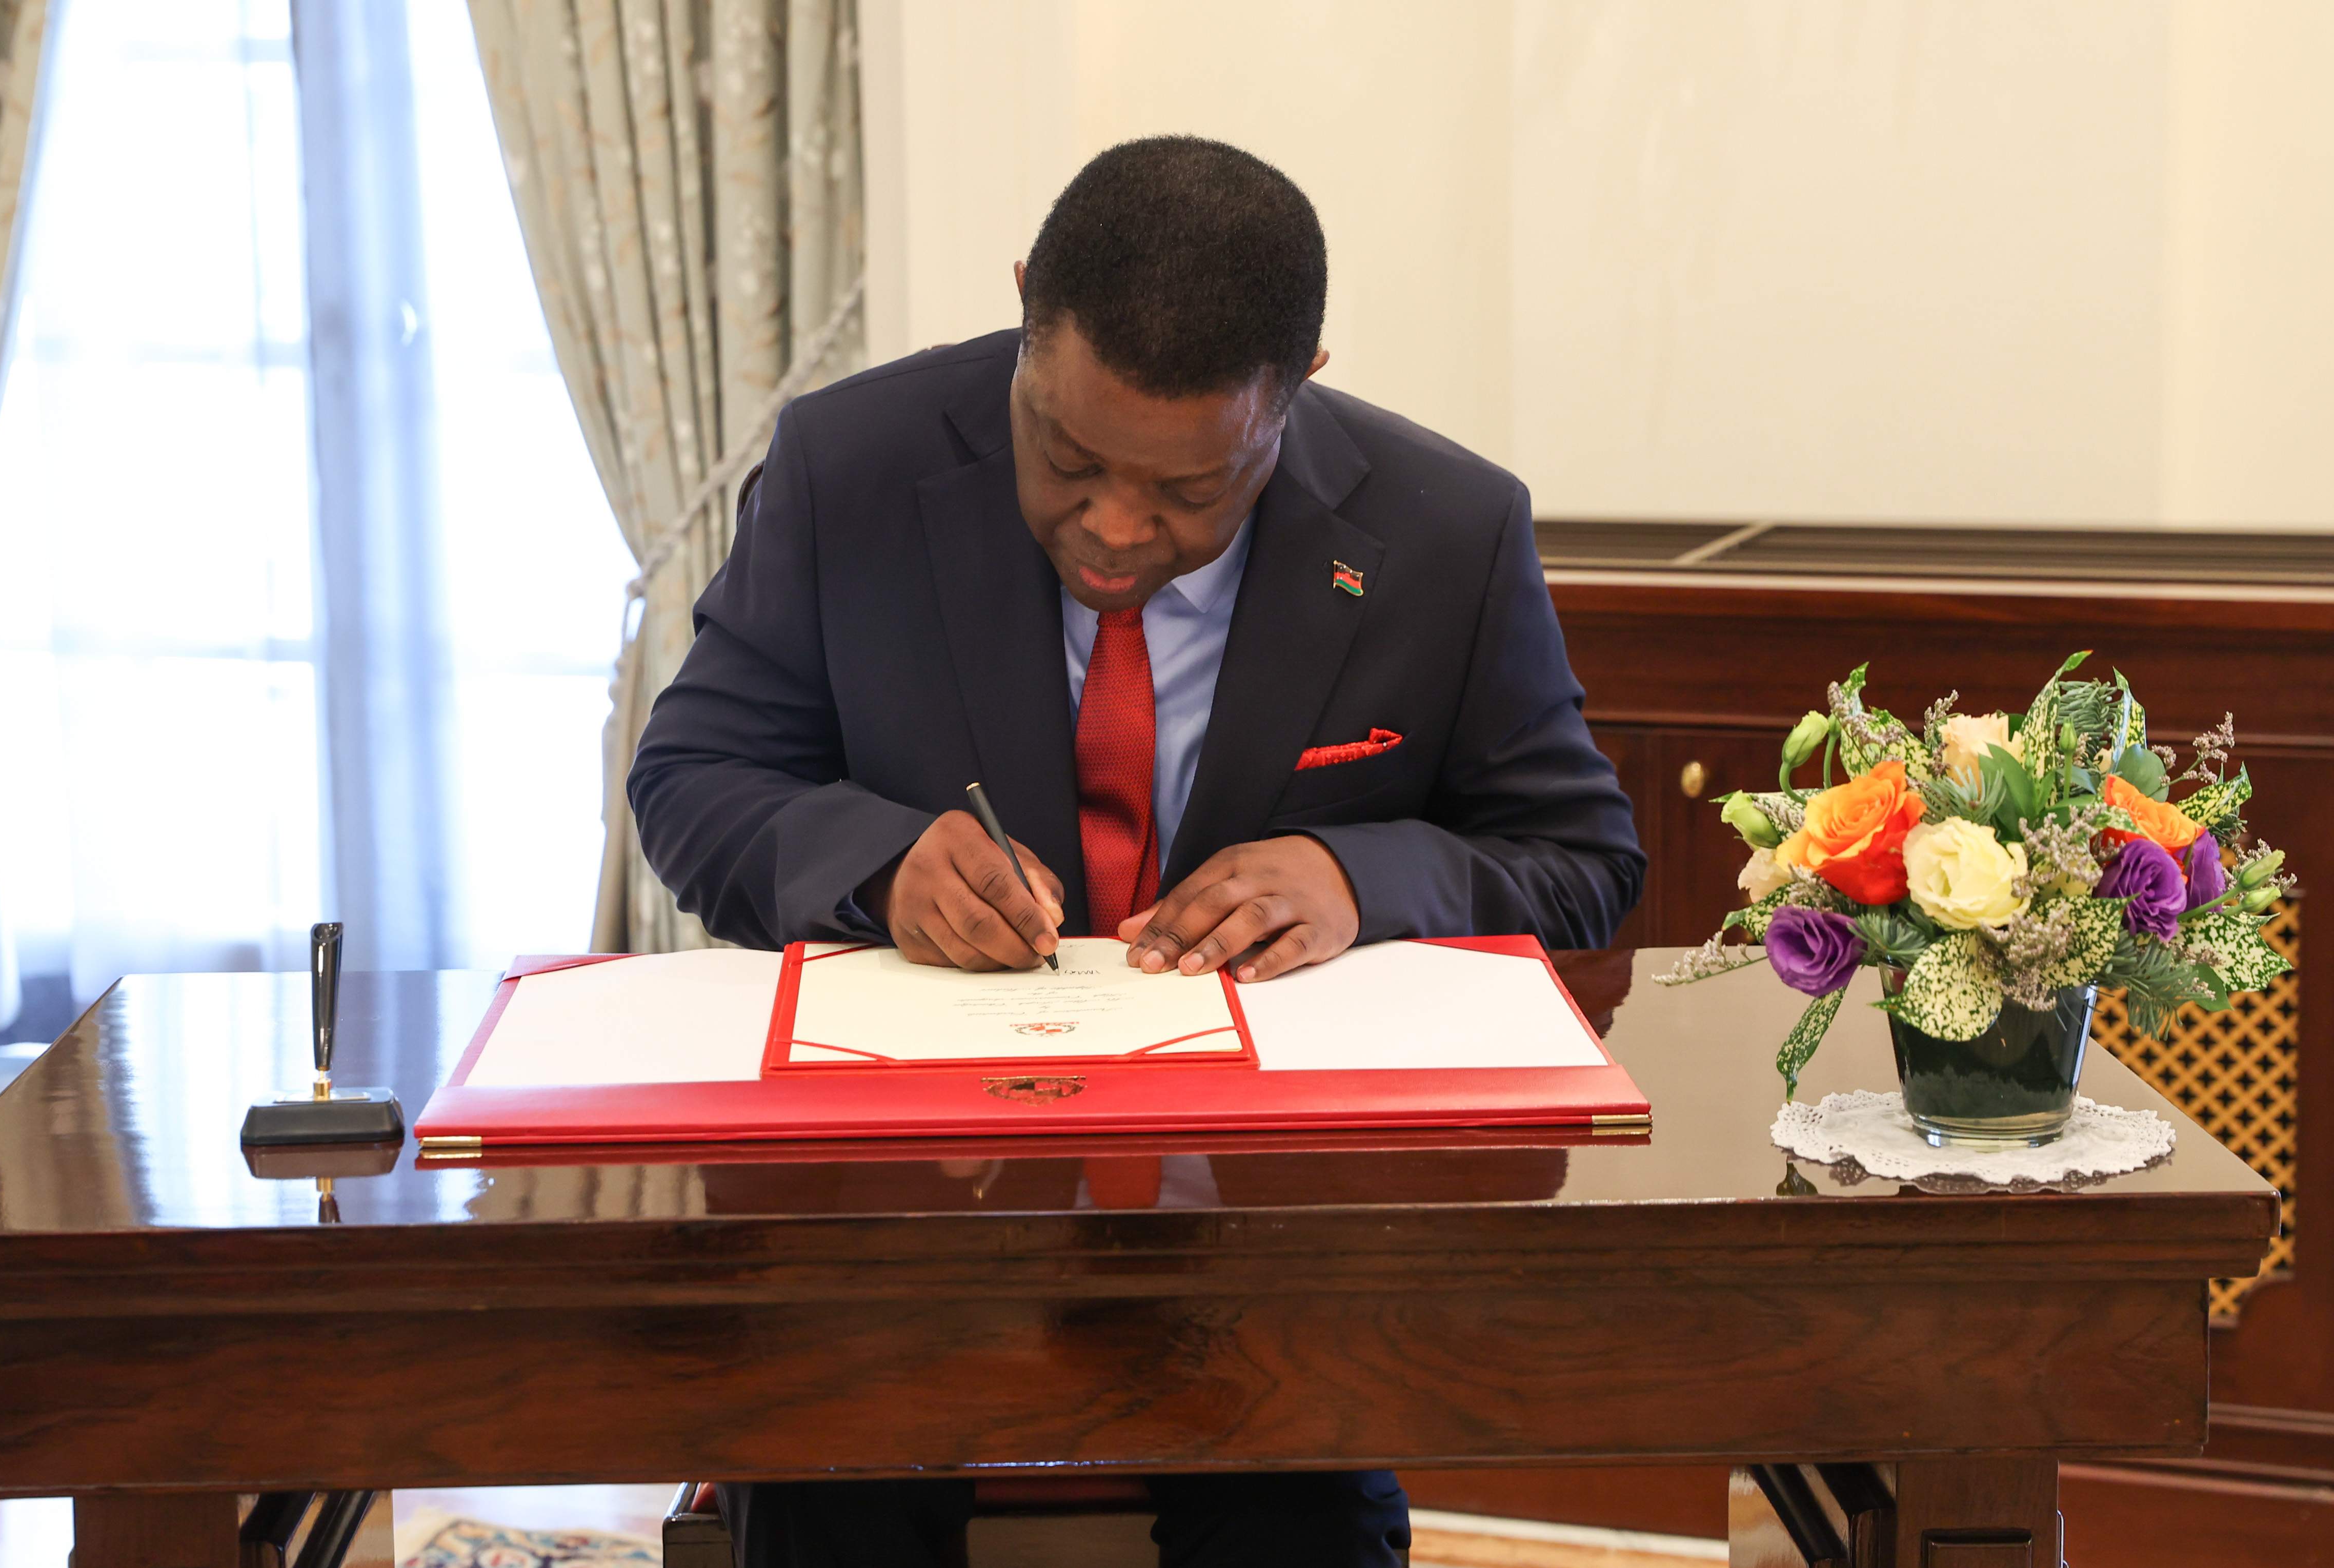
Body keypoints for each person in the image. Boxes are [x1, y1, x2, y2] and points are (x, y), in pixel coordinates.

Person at [630, 135, 1643, 1568]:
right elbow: (690, 779)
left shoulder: (1445, 531)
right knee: (833, 1493)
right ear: (1026, 310)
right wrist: (880, 862)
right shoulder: (847, 465)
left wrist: (1361, 880)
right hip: (906, 1218)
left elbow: (1584, 857)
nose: (1112, 530)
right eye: (1067, 457)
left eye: (1191, 491)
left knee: (1301, 1530)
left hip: (1270, 1241)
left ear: (1293, 391)